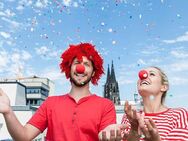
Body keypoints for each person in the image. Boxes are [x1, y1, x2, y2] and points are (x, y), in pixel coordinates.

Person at [0, 43, 116, 141]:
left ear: (94, 72)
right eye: (77, 63)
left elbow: (107, 135)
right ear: (69, 68)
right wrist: (8, 112)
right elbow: (24, 136)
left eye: (86, 64)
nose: (81, 68)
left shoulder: (106, 105)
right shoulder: (50, 103)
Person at [99, 66, 188, 141]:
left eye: (152, 74)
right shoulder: (129, 117)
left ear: (164, 87)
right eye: (141, 75)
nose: (143, 76)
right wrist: (134, 130)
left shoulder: (179, 114)